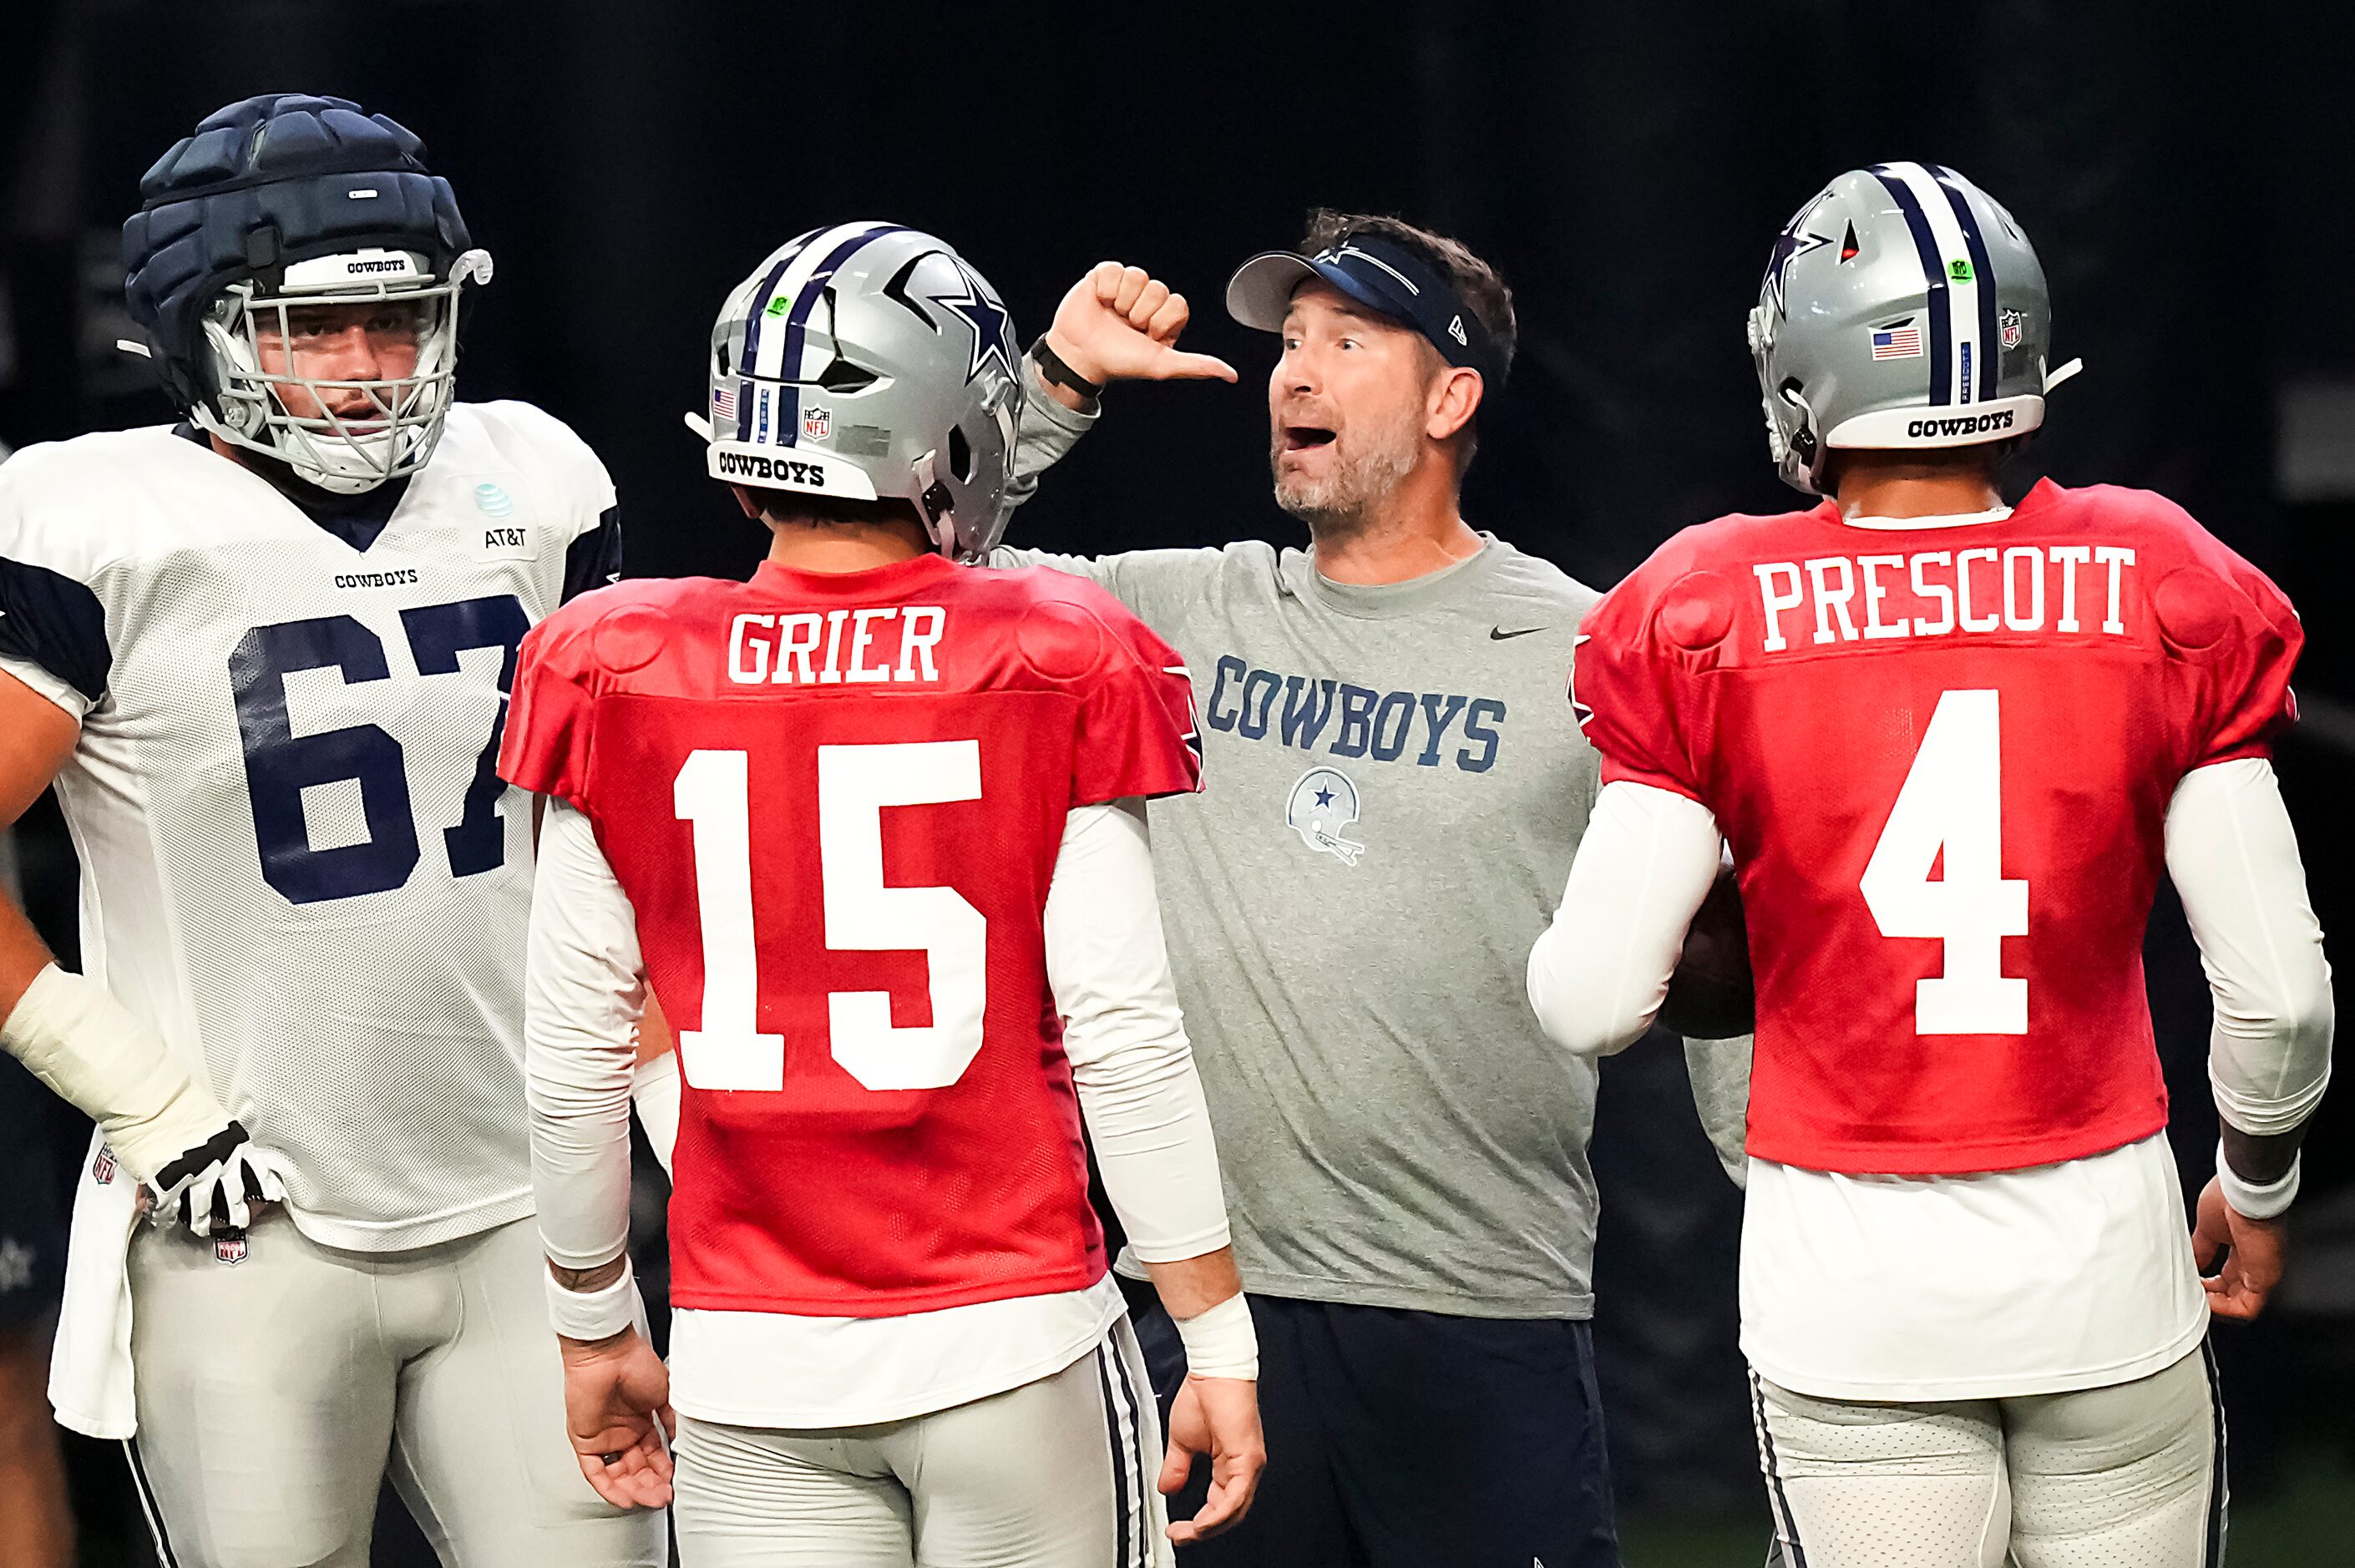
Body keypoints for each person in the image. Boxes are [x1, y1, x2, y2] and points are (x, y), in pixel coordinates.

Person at [1527, 161, 2333, 1566]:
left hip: (1853, 1286)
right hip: (2103, 1261)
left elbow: (1593, 999)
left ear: (1805, 360)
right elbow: (2281, 999)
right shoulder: (2153, 571)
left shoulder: (1710, 601)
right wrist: (2256, 1187)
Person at [506, 223, 1264, 1567]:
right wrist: (1215, 1333)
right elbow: (1126, 1033)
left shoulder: (615, 659)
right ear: (957, 436)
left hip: (751, 1358)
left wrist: (592, 1320)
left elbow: (575, 1060)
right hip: (1010, 1332)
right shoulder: (1053, 649)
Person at [0, 93, 664, 1566]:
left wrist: (668, 1094)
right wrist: (139, 1093)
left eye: (401, 323)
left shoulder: (536, 479)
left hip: (532, 1203)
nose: (367, 372)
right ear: (196, 328)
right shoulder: (99, 520)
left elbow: (613, 837)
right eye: (311, 330)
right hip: (251, 1221)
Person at [993, 212, 1654, 1567]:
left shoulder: (1587, 644)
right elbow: (923, 577)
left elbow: (1714, 945)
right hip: (1214, 1313)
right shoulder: (1178, 612)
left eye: (1349, 341)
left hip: (1485, 1311)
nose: (1295, 373)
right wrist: (1052, 386)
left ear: (1451, 396)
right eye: (1291, 341)